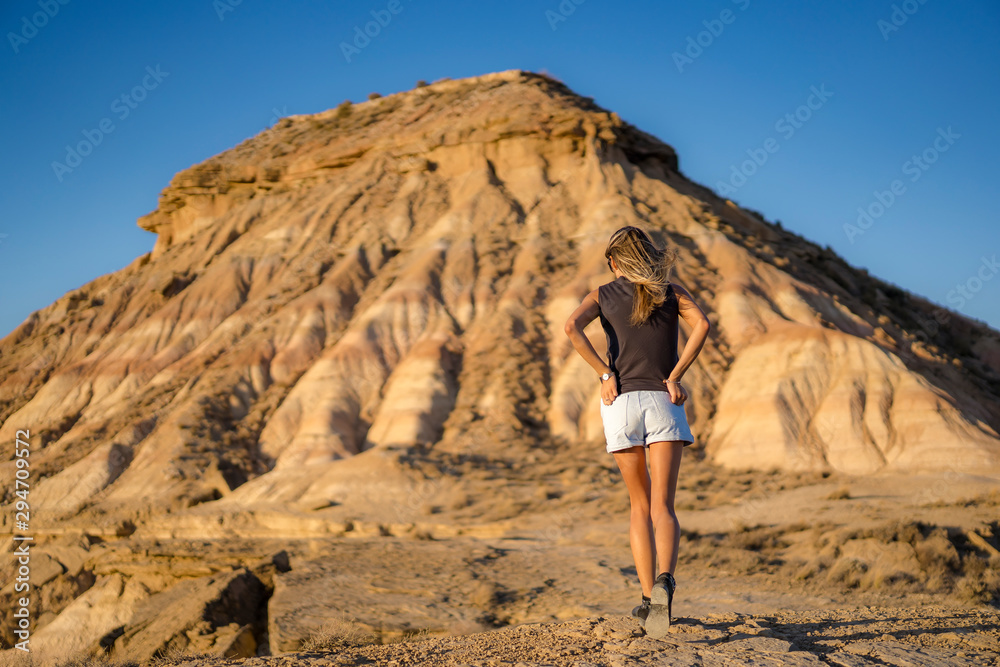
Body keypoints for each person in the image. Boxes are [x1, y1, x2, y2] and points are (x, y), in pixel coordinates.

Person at [563, 225, 711, 638]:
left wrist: (604, 373)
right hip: (664, 401)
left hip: (621, 403)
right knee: (664, 507)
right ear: (649, 256)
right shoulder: (671, 291)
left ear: (614, 261)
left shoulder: (602, 293)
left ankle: (649, 603)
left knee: (638, 506)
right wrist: (677, 374)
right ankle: (666, 582)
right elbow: (703, 325)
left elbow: (571, 327)